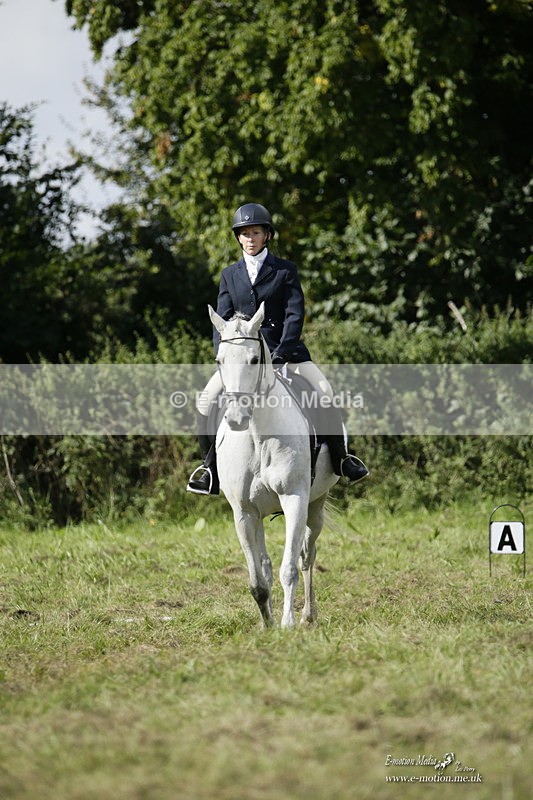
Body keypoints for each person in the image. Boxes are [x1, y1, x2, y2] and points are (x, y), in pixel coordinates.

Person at [187, 202, 369, 495]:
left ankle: (343, 459)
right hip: (241, 360)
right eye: (244, 234)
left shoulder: (285, 271)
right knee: (205, 401)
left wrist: (282, 351)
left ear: (267, 236)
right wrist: (224, 357)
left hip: (287, 354)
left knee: (325, 393)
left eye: (255, 232)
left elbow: (295, 314)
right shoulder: (229, 275)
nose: (250, 239)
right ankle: (209, 470)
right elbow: (220, 323)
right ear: (238, 238)